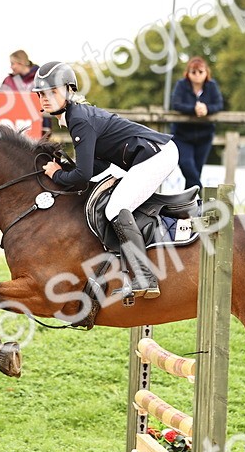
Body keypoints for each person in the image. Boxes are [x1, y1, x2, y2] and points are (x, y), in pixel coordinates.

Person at [32, 61, 178, 300]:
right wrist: (68, 169)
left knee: (115, 208)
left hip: (158, 154)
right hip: (149, 155)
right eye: (41, 94)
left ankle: (144, 278)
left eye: (52, 91)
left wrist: (55, 174)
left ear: (69, 90)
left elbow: (82, 178)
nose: (45, 98)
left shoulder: (78, 119)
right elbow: (98, 165)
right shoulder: (74, 116)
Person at [169, 56, 224, 190]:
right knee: (186, 165)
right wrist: (193, 109)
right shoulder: (181, 85)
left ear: (206, 73)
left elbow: (219, 104)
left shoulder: (212, 86)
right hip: (182, 135)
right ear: (188, 73)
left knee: (196, 170)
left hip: (204, 135)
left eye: (201, 72)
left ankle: (189, 205)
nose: (197, 75)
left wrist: (207, 109)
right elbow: (176, 104)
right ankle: (200, 193)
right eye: (194, 72)